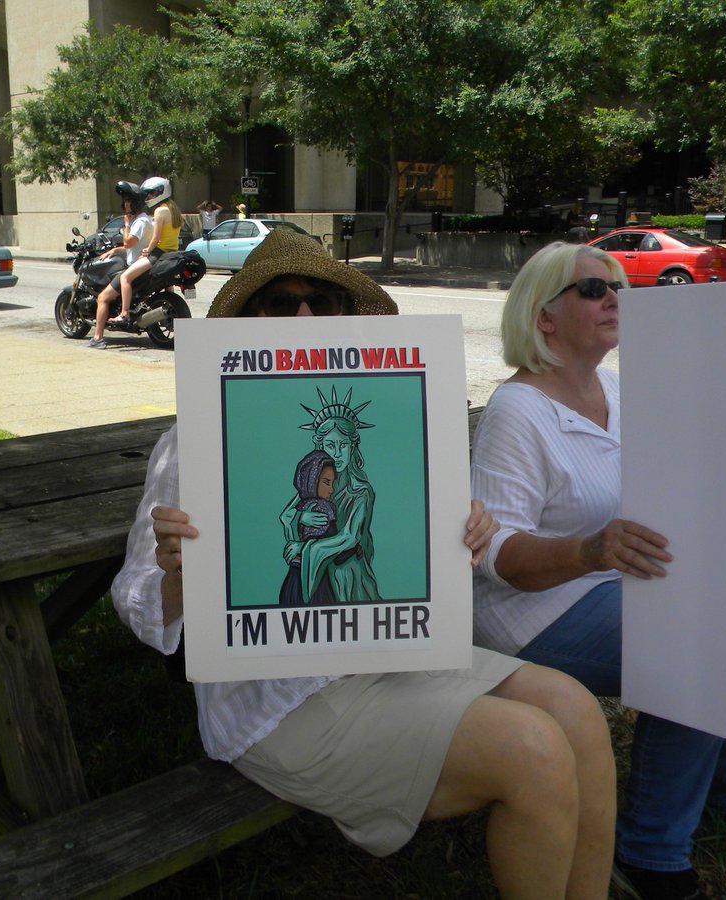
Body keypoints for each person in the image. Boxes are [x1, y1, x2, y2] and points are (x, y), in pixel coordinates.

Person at [112, 229, 618, 899]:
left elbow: (408, 555)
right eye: (277, 302)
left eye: (320, 300)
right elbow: (138, 600)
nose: (302, 318)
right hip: (279, 698)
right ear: (241, 322)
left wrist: (458, 537)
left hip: (395, 654)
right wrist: (182, 576)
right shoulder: (199, 438)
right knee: (534, 750)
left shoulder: (404, 428)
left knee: (576, 711)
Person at [469, 241, 726, 900]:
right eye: (590, 289)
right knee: (698, 645)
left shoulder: (612, 385)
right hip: (535, 609)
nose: (613, 296)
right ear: (542, 316)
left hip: (611, 579)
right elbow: (497, 555)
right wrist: (590, 550)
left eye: (615, 285)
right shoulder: (516, 412)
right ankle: (651, 849)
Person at [280, 386, 381, 604]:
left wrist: (304, 548)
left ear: (353, 448)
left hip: (346, 576)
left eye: (343, 445)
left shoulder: (360, 490)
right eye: (330, 445)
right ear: (320, 447)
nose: (336, 452)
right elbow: (287, 515)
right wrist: (302, 517)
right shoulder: (315, 484)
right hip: (317, 574)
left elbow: (350, 537)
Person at [109, 176, 182, 327]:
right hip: (172, 253)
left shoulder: (160, 211)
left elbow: (156, 238)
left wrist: (147, 250)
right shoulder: (174, 210)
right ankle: (172, 308)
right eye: (148, 193)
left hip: (158, 253)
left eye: (152, 193)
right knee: (168, 283)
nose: (149, 197)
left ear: (162, 192)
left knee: (125, 278)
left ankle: (124, 314)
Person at [87, 181, 152, 349]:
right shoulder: (146, 220)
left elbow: (129, 242)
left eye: (128, 200)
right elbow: (134, 246)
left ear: (135, 202)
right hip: (141, 263)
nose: (125, 204)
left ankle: (98, 338)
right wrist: (116, 250)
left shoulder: (139, 221)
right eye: (125, 200)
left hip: (134, 267)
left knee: (103, 298)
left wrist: (126, 224)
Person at [278, 449, 338, 606]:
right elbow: (336, 549)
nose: (331, 489)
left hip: (291, 583)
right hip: (314, 585)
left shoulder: (297, 509)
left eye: (332, 483)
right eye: (326, 482)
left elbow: (286, 517)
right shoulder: (324, 510)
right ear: (312, 480)